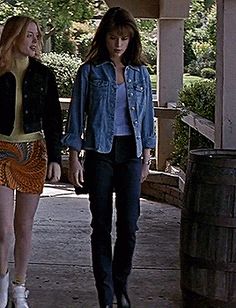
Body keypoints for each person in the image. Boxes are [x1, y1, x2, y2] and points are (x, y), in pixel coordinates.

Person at [63, 7, 156, 308]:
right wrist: (74, 158)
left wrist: (147, 157)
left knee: (129, 225)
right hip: (99, 153)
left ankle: (120, 285)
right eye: (113, 37)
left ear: (132, 40)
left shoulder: (141, 73)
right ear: (104, 37)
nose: (118, 44)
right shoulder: (89, 71)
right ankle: (105, 293)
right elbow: (76, 117)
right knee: (101, 224)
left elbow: (147, 119)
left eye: (124, 39)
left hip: (130, 153)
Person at [0, 16, 62, 308]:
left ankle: (19, 287)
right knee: (3, 230)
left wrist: (56, 158)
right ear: (13, 36)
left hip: (33, 153)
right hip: (0, 152)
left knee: (24, 226)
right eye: (30, 35)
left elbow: (53, 119)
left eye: (37, 35)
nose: (35, 40)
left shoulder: (43, 74)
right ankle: (1, 285)